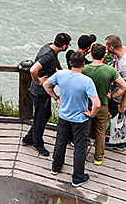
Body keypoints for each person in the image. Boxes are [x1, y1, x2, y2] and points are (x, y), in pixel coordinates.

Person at [43, 52, 100, 187]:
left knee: (60, 142)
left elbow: (46, 85)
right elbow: (97, 104)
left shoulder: (60, 74)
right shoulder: (87, 81)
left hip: (64, 116)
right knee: (80, 148)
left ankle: (55, 167)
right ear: (83, 65)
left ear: (70, 63)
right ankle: (77, 178)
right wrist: (92, 114)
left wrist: (56, 98)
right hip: (80, 119)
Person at [22, 33, 71, 156]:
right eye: (68, 44)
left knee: (44, 114)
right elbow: (33, 69)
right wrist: (38, 81)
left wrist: (59, 69)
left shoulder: (49, 47)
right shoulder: (48, 56)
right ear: (64, 46)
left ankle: (28, 138)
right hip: (40, 92)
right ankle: (37, 143)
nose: (69, 46)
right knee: (40, 117)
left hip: (41, 91)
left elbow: (56, 58)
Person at [82, 43, 126, 165]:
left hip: (87, 105)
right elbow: (125, 87)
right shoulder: (110, 70)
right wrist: (113, 96)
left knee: (85, 132)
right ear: (104, 55)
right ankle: (98, 158)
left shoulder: (85, 69)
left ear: (91, 54)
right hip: (103, 105)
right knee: (100, 132)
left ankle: (83, 157)